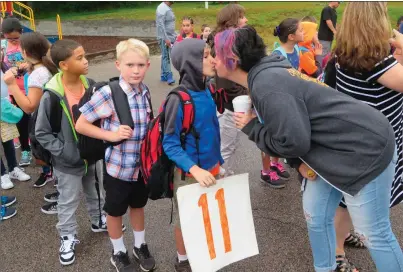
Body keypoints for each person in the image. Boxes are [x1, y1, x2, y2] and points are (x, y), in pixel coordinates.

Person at [214, 26, 403, 272]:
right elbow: (293, 131)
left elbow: (293, 142)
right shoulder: (266, 71)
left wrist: (251, 127)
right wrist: (297, 163)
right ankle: (326, 268)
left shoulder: (267, 84)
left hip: (367, 147)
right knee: (315, 215)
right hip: (332, 149)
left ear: (233, 60)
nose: (212, 59)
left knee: (372, 232)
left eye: (215, 54)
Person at [323, 3, 403, 271]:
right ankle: (342, 247)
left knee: (345, 200)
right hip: (374, 152)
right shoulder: (379, 62)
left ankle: (337, 250)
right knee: (378, 229)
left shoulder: (346, 53)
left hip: (353, 144)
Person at [75, 39, 155, 272]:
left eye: (141, 65)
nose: (136, 70)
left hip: (141, 167)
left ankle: (140, 246)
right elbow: (81, 124)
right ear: (118, 64)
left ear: (148, 65)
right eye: (130, 65)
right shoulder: (109, 93)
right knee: (115, 210)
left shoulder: (145, 91)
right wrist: (110, 135)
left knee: (138, 206)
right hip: (117, 167)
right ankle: (118, 251)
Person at [35, 39, 106, 266]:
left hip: (92, 155)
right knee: (68, 200)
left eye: (85, 56)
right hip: (68, 162)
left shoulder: (91, 85)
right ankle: (67, 236)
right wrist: (64, 153)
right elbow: (42, 133)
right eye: (80, 58)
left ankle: (98, 220)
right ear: (64, 65)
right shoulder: (52, 96)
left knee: (96, 191)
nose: (86, 61)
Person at [163, 38, 223, 272]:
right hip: (188, 173)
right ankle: (182, 259)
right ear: (191, 62)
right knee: (186, 219)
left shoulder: (207, 88)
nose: (212, 60)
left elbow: (212, 131)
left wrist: (220, 162)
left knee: (207, 215)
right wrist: (194, 169)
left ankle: (204, 253)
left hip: (212, 167)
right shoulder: (178, 100)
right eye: (206, 56)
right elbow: (170, 143)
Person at [3, 32, 58, 188]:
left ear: (25, 52)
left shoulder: (37, 75)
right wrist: (29, 67)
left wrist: (12, 85)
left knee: (44, 152)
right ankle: (51, 175)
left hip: (42, 121)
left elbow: (29, 106)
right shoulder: (45, 66)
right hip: (51, 118)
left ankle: (55, 181)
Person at [1, 17, 32, 166]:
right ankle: (26, 150)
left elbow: (42, 59)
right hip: (14, 90)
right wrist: (9, 70)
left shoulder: (28, 43)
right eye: (9, 38)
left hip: (32, 88)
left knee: (36, 120)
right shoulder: (3, 46)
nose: (13, 41)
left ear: (21, 33)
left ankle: (39, 148)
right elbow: (3, 66)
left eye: (16, 38)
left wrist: (29, 64)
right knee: (21, 121)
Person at [1, 65, 31, 189]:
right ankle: (2, 174)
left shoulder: (3, 67)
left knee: (8, 140)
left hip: (4, 108)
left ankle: (13, 168)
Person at [156, 1, 176, 85]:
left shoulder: (167, 8)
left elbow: (169, 24)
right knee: (166, 56)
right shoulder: (162, 8)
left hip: (170, 36)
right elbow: (161, 25)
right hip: (164, 37)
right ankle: (169, 76)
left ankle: (163, 75)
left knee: (165, 55)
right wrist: (166, 38)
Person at [317, 1, 340, 68]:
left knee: (327, 54)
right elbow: (328, 21)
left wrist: (337, 31)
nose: (339, 4)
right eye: (338, 2)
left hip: (329, 37)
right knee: (323, 54)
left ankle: (325, 68)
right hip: (324, 36)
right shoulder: (327, 9)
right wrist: (334, 31)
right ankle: (320, 69)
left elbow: (334, 23)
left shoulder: (334, 11)